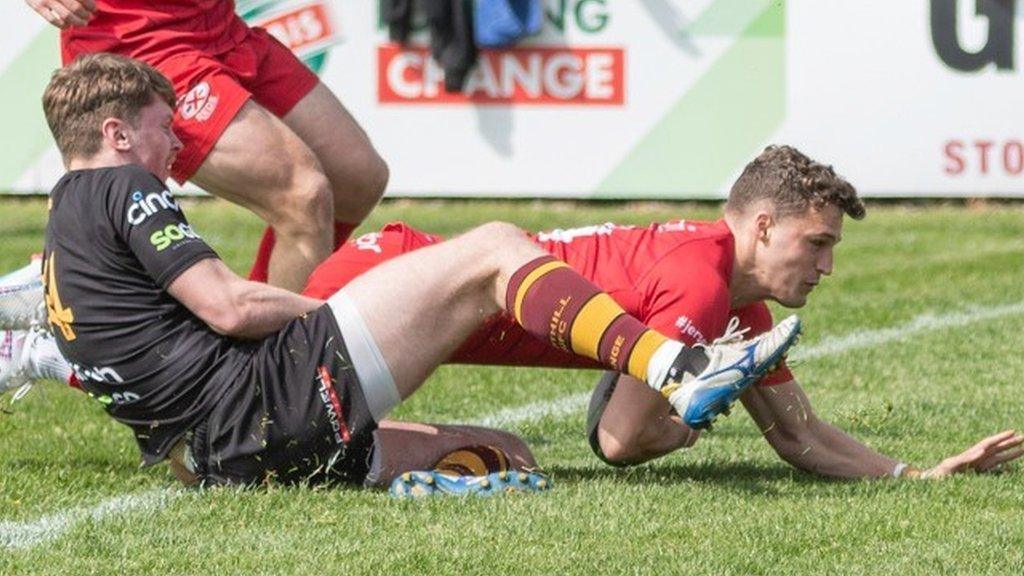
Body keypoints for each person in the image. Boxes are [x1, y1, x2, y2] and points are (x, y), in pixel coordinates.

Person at [12, 53, 798, 491]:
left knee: (510, 452)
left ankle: (423, 478)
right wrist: (323, 313)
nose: (174, 150)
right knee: (494, 247)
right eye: (160, 131)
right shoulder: (124, 185)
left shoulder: (66, 221)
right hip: (274, 400)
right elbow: (223, 306)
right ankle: (675, 366)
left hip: (222, 457)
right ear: (115, 133)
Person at [6, 143, 1021, 480]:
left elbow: (799, 436)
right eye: (814, 244)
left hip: (414, 308)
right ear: (755, 228)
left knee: (508, 461)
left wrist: (919, 474)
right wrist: (679, 402)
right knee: (224, 353)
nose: (827, 267)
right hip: (398, 273)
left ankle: (54, 338)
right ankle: (50, 324)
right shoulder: (704, 285)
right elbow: (623, 443)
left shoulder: (737, 307)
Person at [25, 0, 389, 292]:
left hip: (220, 27)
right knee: (301, 194)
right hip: (139, 42)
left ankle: (255, 338)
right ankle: (278, 373)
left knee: (357, 177)